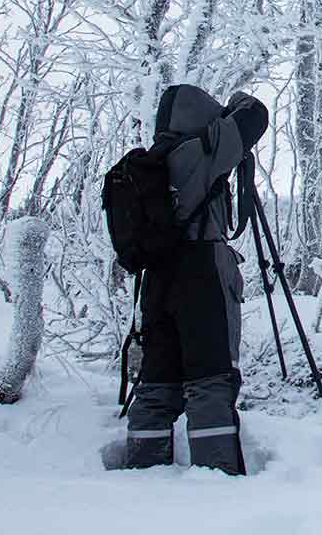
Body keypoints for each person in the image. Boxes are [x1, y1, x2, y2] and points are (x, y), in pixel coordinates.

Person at [123, 84, 269, 476]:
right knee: (210, 378)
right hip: (201, 273)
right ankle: (216, 476)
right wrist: (232, 105)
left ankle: (142, 469)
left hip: (157, 280)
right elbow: (255, 114)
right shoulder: (200, 150)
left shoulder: (153, 161)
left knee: (157, 380)